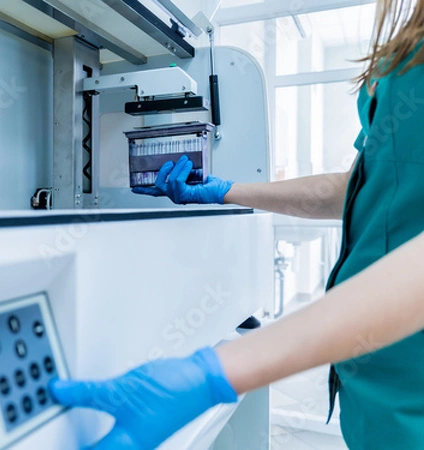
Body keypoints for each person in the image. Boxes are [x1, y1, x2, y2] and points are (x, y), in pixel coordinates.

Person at [49, 1, 424, 448]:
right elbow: (365, 186)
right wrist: (224, 190)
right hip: (378, 390)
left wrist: (218, 371)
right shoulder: (408, 45)